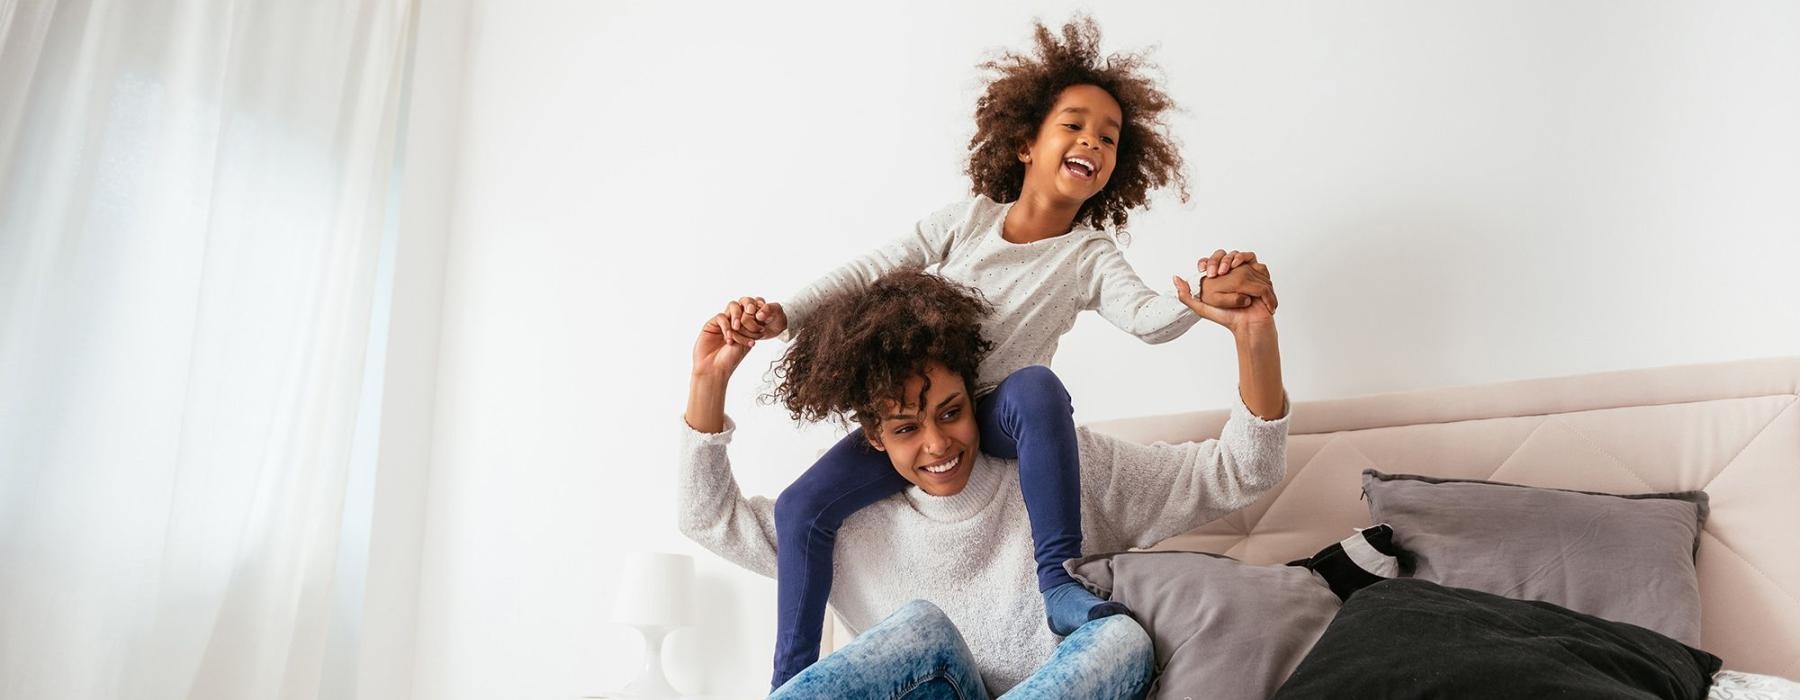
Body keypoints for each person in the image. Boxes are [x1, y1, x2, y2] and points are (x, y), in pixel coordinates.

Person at [711, 15, 1279, 686]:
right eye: (1074, 125)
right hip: (933, 410)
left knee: (1037, 388)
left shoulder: (1089, 254)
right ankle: (791, 680)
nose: (1092, 142)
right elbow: (871, 269)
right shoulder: (968, 220)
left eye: (1108, 137)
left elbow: (1145, 317)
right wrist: (783, 315)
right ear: (1024, 144)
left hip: (998, 417)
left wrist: (1198, 300)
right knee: (800, 507)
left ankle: (1057, 580)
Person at [680, 268, 1288, 696]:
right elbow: (708, 519)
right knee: (919, 627)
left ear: (976, 398)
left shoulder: (1065, 468)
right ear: (873, 437)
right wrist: (709, 382)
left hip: (1073, 688)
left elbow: (1240, 471)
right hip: (932, 683)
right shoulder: (842, 523)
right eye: (906, 429)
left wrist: (1253, 336)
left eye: (950, 413)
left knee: (1120, 640)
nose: (937, 445)